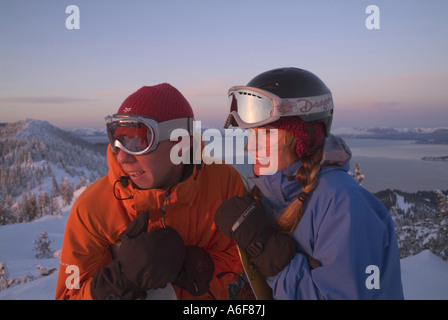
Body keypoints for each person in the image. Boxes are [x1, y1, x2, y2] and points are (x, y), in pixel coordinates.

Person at [215, 67, 404, 299]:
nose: (250, 146)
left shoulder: (343, 204)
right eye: (250, 134)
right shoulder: (272, 197)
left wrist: (266, 250)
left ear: (302, 140)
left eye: (265, 134)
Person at [55, 83, 246, 300]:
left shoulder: (223, 184)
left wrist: (202, 268)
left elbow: (244, 261)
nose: (121, 157)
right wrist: (116, 283)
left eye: (138, 140)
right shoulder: (93, 210)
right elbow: (69, 295)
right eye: (116, 138)